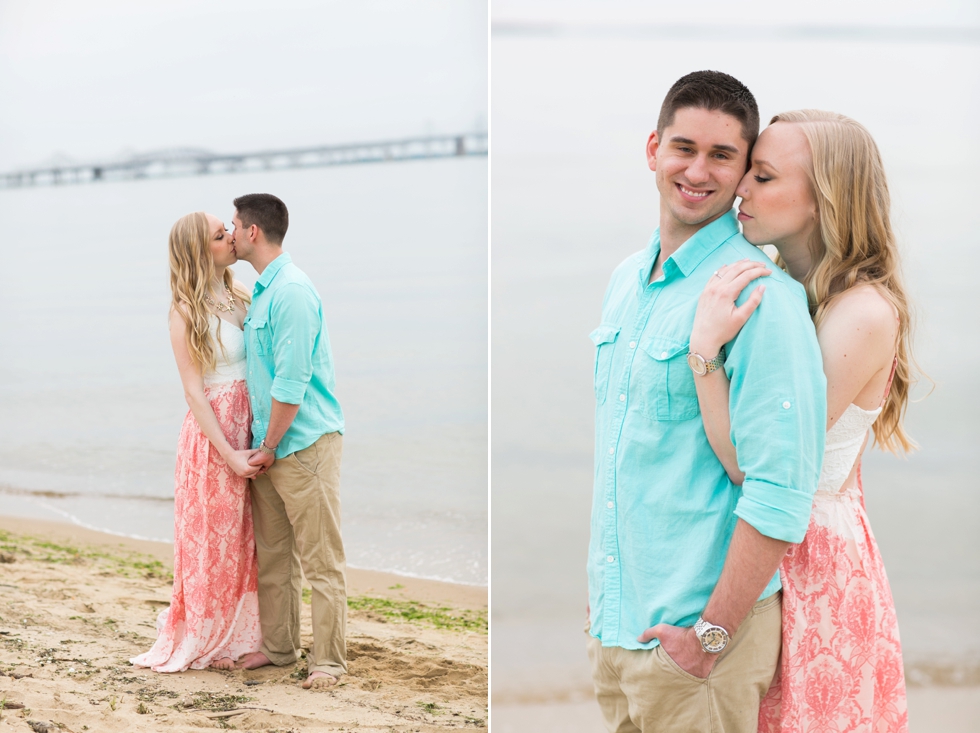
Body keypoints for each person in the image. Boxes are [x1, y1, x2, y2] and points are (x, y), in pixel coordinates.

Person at [586, 71, 827, 733]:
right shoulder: (625, 285)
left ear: (745, 169)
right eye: (683, 147)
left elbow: (780, 492)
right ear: (652, 148)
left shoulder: (762, 300)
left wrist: (708, 638)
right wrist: (604, 613)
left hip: (699, 649)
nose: (697, 170)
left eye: (723, 155)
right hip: (621, 633)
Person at [689, 110, 912, 732]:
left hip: (811, 561)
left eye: (762, 176)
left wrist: (704, 356)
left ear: (824, 199)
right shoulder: (793, 291)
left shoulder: (860, 313)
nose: (740, 190)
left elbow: (754, 462)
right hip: (779, 544)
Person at [132, 212, 262, 672]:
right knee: (213, 542)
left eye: (227, 230)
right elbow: (193, 390)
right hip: (214, 437)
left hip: (251, 423)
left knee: (249, 540)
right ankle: (208, 636)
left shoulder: (242, 294)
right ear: (198, 250)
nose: (231, 236)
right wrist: (228, 453)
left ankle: (250, 636)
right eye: (219, 234)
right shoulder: (184, 311)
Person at [230, 193, 347, 690]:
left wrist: (271, 445)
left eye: (234, 225)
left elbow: (292, 383)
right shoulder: (263, 289)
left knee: (322, 560)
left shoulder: (292, 292)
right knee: (275, 558)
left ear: (253, 231)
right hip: (269, 446)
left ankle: (330, 661)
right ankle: (279, 648)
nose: (230, 233)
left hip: (302, 447)